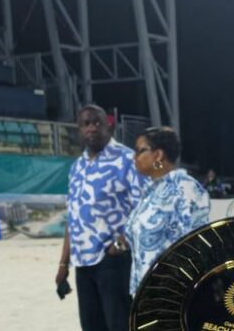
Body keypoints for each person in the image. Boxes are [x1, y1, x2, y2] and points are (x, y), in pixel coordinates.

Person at [55, 104, 147, 331]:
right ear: (79, 129)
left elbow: (146, 208)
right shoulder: (77, 167)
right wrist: (64, 263)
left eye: (97, 122)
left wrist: (121, 244)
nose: (92, 128)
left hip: (114, 262)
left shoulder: (128, 160)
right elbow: (73, 217)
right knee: (91, 326)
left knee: (119, 325)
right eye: (86, 124)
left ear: (108, 126)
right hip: (82, 263)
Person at [122, 127, 210, 296]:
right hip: (145, 293)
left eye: (140, 151)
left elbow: (195, 245)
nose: (134, 157)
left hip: (172, 294)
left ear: (158, 155)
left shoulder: (184, 187)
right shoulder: (151, 190)